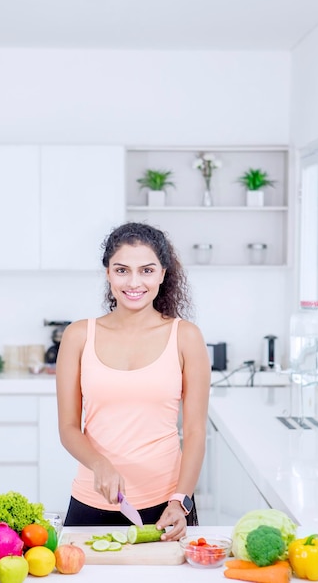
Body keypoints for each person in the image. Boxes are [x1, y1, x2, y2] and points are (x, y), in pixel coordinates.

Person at [56, 222, 211, 540]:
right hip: (91, 503)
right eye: (122, 270)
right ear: (108, 273)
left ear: (163, 274)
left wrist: (181, 500)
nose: (134, 282)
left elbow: (195, 431)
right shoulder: (78, 336)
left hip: (166, 506)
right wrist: (99, 464)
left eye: (147, 270)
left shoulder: (186, 337)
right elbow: (69, 427)